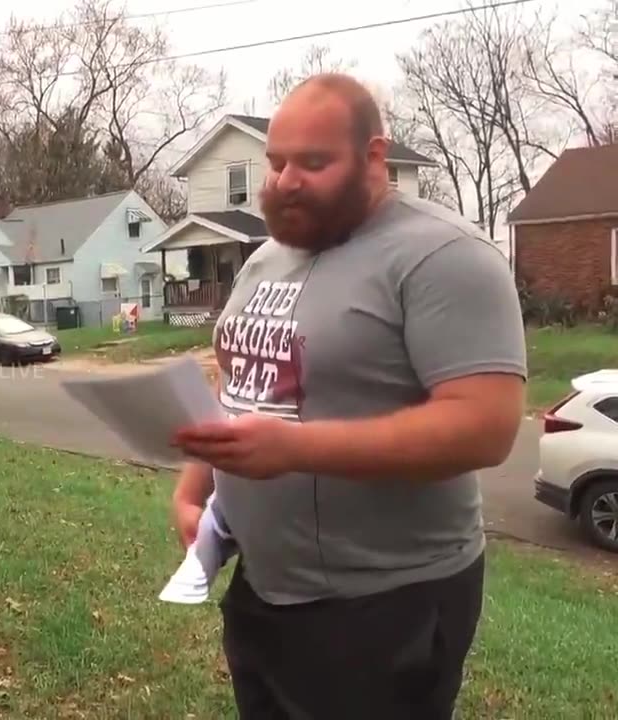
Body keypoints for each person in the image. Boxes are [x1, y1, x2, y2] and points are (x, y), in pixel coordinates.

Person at [169, 73, 525, 720]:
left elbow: (485, 427)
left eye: (313, 162)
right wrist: (197, 488)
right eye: (275, 163)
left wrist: (295, 449)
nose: (285, 181)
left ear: (375, 156)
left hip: (386, 606)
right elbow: (247, 383)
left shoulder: (444, 256)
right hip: (265, 590)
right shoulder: (266, 258)